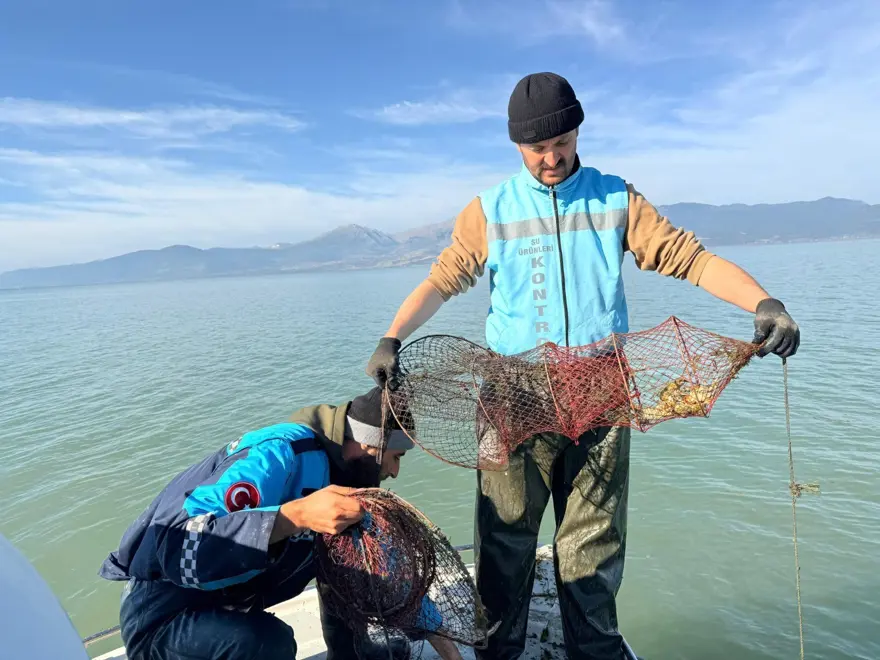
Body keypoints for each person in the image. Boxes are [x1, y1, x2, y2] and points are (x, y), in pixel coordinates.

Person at [364, 72, 801, 659]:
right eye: (537, 148)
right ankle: (499, 652)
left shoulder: (615, 198)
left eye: (562, 142)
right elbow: (443, 279)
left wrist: (762, 301)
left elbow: (688, 259)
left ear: (578, 130)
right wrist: (392, 336)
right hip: (510, 392)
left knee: (593, 543)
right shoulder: (489, 209)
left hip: (602, 385)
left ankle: (594, 651)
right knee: (504, 539)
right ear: (517, 147)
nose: (551, 158)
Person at [97, 386, 462, 660]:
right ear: (369, 445)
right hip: (161, 615)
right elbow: (181, 544)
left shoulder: (347, 483)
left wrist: (451, 653)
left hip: (228, 608)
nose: (394, 472)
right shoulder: (277, 455)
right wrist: (296, 516)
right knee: (267, 644)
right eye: (395, 457)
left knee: (344, 572)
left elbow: (389, 571)